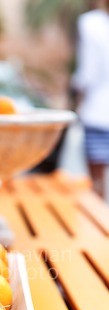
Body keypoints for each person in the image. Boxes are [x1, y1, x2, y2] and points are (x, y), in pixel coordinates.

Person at [72, 0, 109, 198]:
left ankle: (101, 228)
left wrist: (77, 94)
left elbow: (87, 73)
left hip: (98, 112)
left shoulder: (91, 24)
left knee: (96, 186)